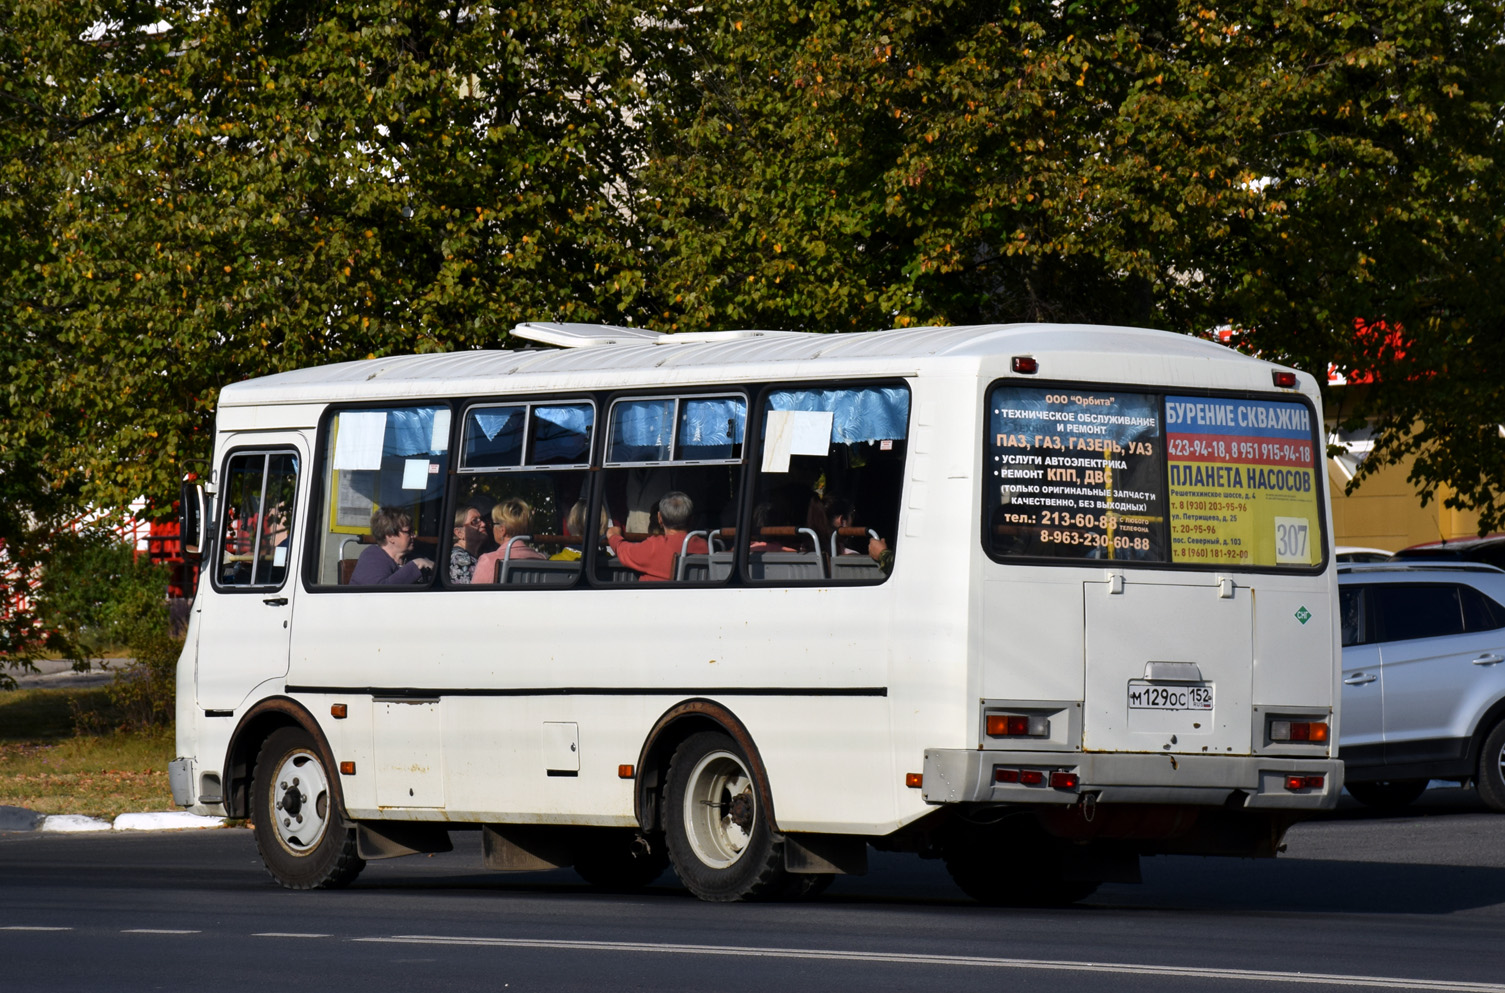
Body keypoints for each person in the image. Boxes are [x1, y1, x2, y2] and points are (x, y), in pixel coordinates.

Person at [605, 490, 708, 581]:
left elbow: (623, 550)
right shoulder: (704, 546)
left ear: (659, 518)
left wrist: (613, 536)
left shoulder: (654, 547)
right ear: (691, 519)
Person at [350, 507, 434, 585]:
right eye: (408, 532)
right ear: (390, 536)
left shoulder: (411, 556)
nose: (414, 536)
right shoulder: (372, 556)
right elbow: (379, 591)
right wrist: (417, 564)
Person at [472, 497, 547, 583]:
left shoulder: (489, 561)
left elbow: (474, 596)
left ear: (502, 530)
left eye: (493, 523)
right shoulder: (541, 558)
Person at [448, 505, 489, 583]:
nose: (483, 524)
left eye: (482, 519)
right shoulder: (460, 559)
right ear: (459, 533)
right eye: (475, 521)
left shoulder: (473, 555)